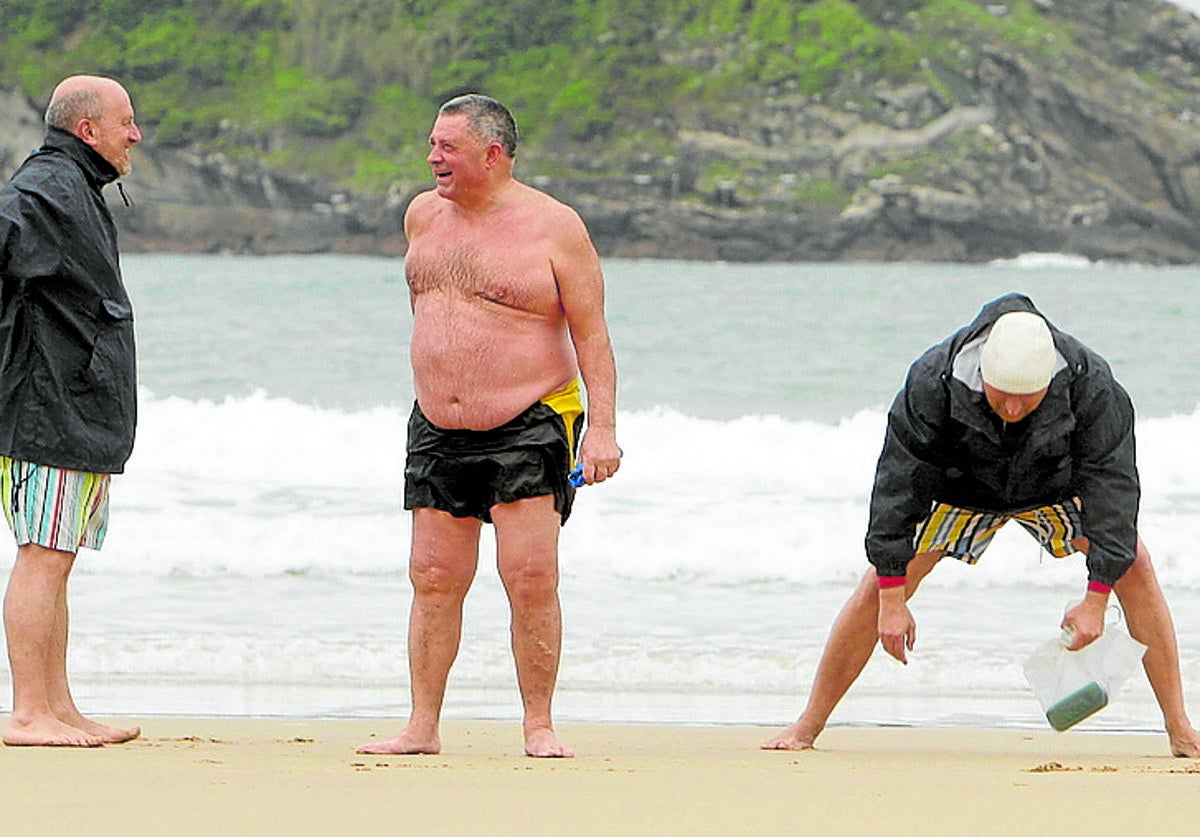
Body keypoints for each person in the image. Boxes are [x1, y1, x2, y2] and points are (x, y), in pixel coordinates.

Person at [763, 293, 1200, 758]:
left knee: (1136, 563)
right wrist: (893, 598)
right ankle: (807, 726)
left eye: (1025, 397)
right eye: (1000, 395)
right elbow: (898, 485)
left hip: (1053, 483)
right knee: (881, 583)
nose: (1012, 407)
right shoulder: (933, 380)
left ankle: (1180, 729)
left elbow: (1112, 488)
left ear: (1048, 381)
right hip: (962, 486)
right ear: (984, 374)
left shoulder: (1090, 383)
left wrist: (1096, 599)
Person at [357, 94, 620, 759]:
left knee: (530, 574)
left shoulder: (554, 228)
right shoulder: (421, 216)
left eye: (447, 147)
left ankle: (538, 724)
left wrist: (603, 429)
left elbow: (592, 335)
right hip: (437, 424)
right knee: (433, 574)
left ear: (492, 154)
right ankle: (421, 725)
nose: (433, 158)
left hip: (530, 419)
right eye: (432, 145)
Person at [0, 75, 143, 747]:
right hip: (45, 409)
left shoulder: (74, 188)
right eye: (126, 122)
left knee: (58, 557)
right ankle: (30, 712)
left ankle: (59, 705)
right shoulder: (49, 187)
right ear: (88, 130)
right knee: (42, 556)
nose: (135, 134)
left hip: (76, 409)